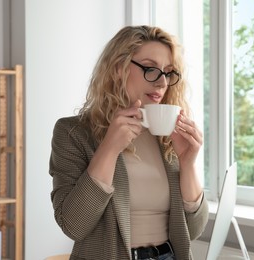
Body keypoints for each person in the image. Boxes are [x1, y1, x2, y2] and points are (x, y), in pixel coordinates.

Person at [49, 25, 209, 260]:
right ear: (117, 69)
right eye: (151, 69)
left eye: (168, 72)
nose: (162, 83)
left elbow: (194, 230)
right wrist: (110, 148)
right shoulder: (73, 132)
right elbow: (74, 225)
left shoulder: (167, 134)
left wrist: (188, 164)